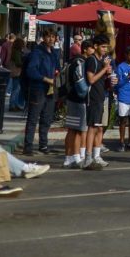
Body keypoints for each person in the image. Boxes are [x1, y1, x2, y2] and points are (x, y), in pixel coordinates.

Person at [21, 29, 60, 156]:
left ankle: (43, 145)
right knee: (33, 118)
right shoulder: (37, 53)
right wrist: (45, 78)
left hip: (50, 89)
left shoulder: (54, 53)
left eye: (53, 37)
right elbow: (31, 71)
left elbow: (57, 68)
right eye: (48, 37)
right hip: (38, 89)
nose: (51, 39)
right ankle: (28, 146)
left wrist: (57, 73)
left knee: (47, 119)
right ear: (43, 38)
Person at [82, 38, 112, 170]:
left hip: (101, 96)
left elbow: (101, 79)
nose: (105, 49)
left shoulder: (101, 61)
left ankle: (96, 155)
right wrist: (104, 69)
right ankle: (88, 157)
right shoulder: (91, 60)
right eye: (103, 46)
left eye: (106, 47)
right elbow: (91, 79)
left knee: (99, 128)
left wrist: (108, 75)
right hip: (93, 98)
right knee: (92, 127)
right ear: (96, 46)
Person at [61, 42, 88, 170]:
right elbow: (80, 83)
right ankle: (74, 157)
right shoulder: (80, 62)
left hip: (72, 97)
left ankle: (70, 157)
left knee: (74, 129)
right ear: (87, 49)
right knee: (76, 129)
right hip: (77, 98)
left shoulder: (73, 61)